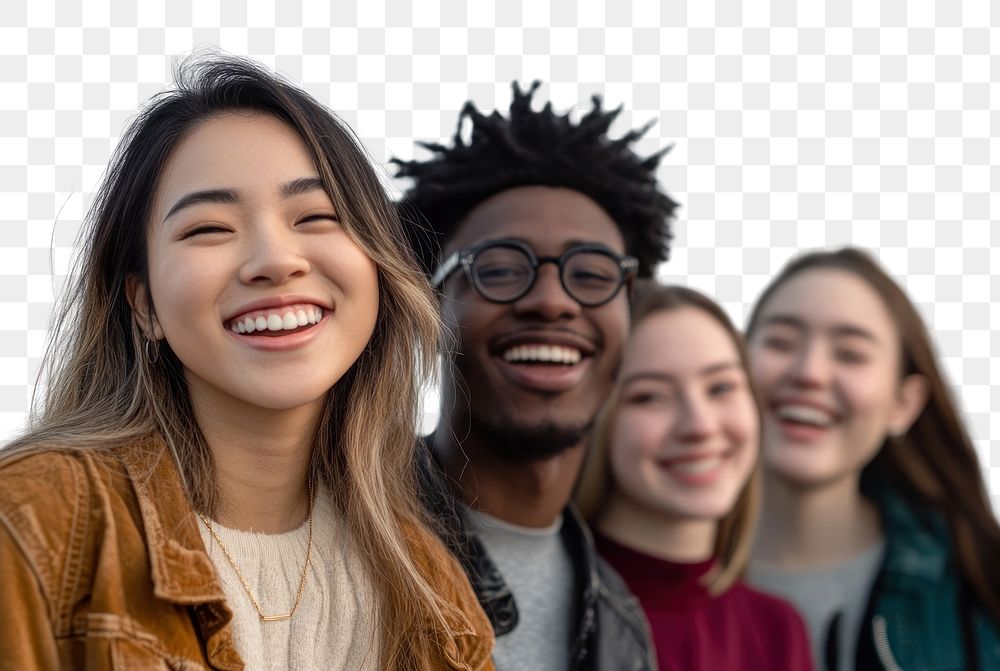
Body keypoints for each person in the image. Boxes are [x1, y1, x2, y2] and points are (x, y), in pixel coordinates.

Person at [0, 56, 493, 670]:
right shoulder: (31, 523)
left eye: (316, 216)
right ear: (144, 302)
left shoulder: (436, 598)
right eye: (209, 228)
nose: (275, 259)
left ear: (378, 270)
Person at [394, 81, 678, 670]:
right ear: (430, 304)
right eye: (498, 267)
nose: (552, 301)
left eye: (593, 273)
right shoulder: (335, 540)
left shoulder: (624, 625)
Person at [743, 248, 1000, 670]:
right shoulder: (630, 577)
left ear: (904, 403)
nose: (809, 372)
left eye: (850, 354)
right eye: (780, 342)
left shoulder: (980, 591)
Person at [576, 282, 813, 671]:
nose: (700, 426)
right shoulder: (554, 609)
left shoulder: (778, 630)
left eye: (721, 387)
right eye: (650, 396)